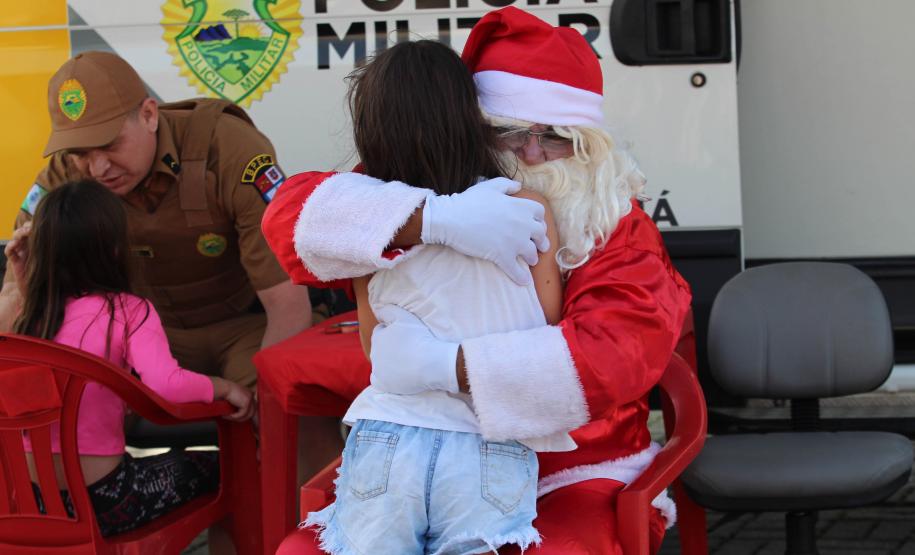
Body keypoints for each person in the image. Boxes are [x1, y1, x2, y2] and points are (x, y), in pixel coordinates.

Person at [265, 7, 692, 555]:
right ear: (471, 128)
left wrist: (443, 365)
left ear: (590, 145)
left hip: (575, 470)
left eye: (558, 137)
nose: (533, 154)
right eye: (510, 132)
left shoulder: (616, 224)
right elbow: (292, 223)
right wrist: (436, 220)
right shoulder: (429, 191)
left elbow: (612, 357)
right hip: (421, 461)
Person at [0, 51, 342, 477]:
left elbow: (287, 306)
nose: (98, 168)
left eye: (109, 145)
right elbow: (23, 318)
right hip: (139, 336)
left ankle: (313, 535)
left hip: (247, 325)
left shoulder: (226, 148)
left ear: (148, 114)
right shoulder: (62, 179)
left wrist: (266, 404)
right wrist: (18, 285)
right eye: (81, 153)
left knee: (295, 415)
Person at [301, 40, 575, 555]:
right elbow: (547, 324)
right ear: (469, 117)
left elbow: (371, 344)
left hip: (389, 434)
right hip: (490, 440)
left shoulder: (371, 224)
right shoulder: (527, 206)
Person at [10, 179, 254, 536]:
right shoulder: (127, 311)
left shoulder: (27, 319)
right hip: (107, 504)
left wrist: (21, 284)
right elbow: (168, 386)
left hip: (33, 506)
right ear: (113, 248)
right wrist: (225, 387)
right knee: (226, 466)